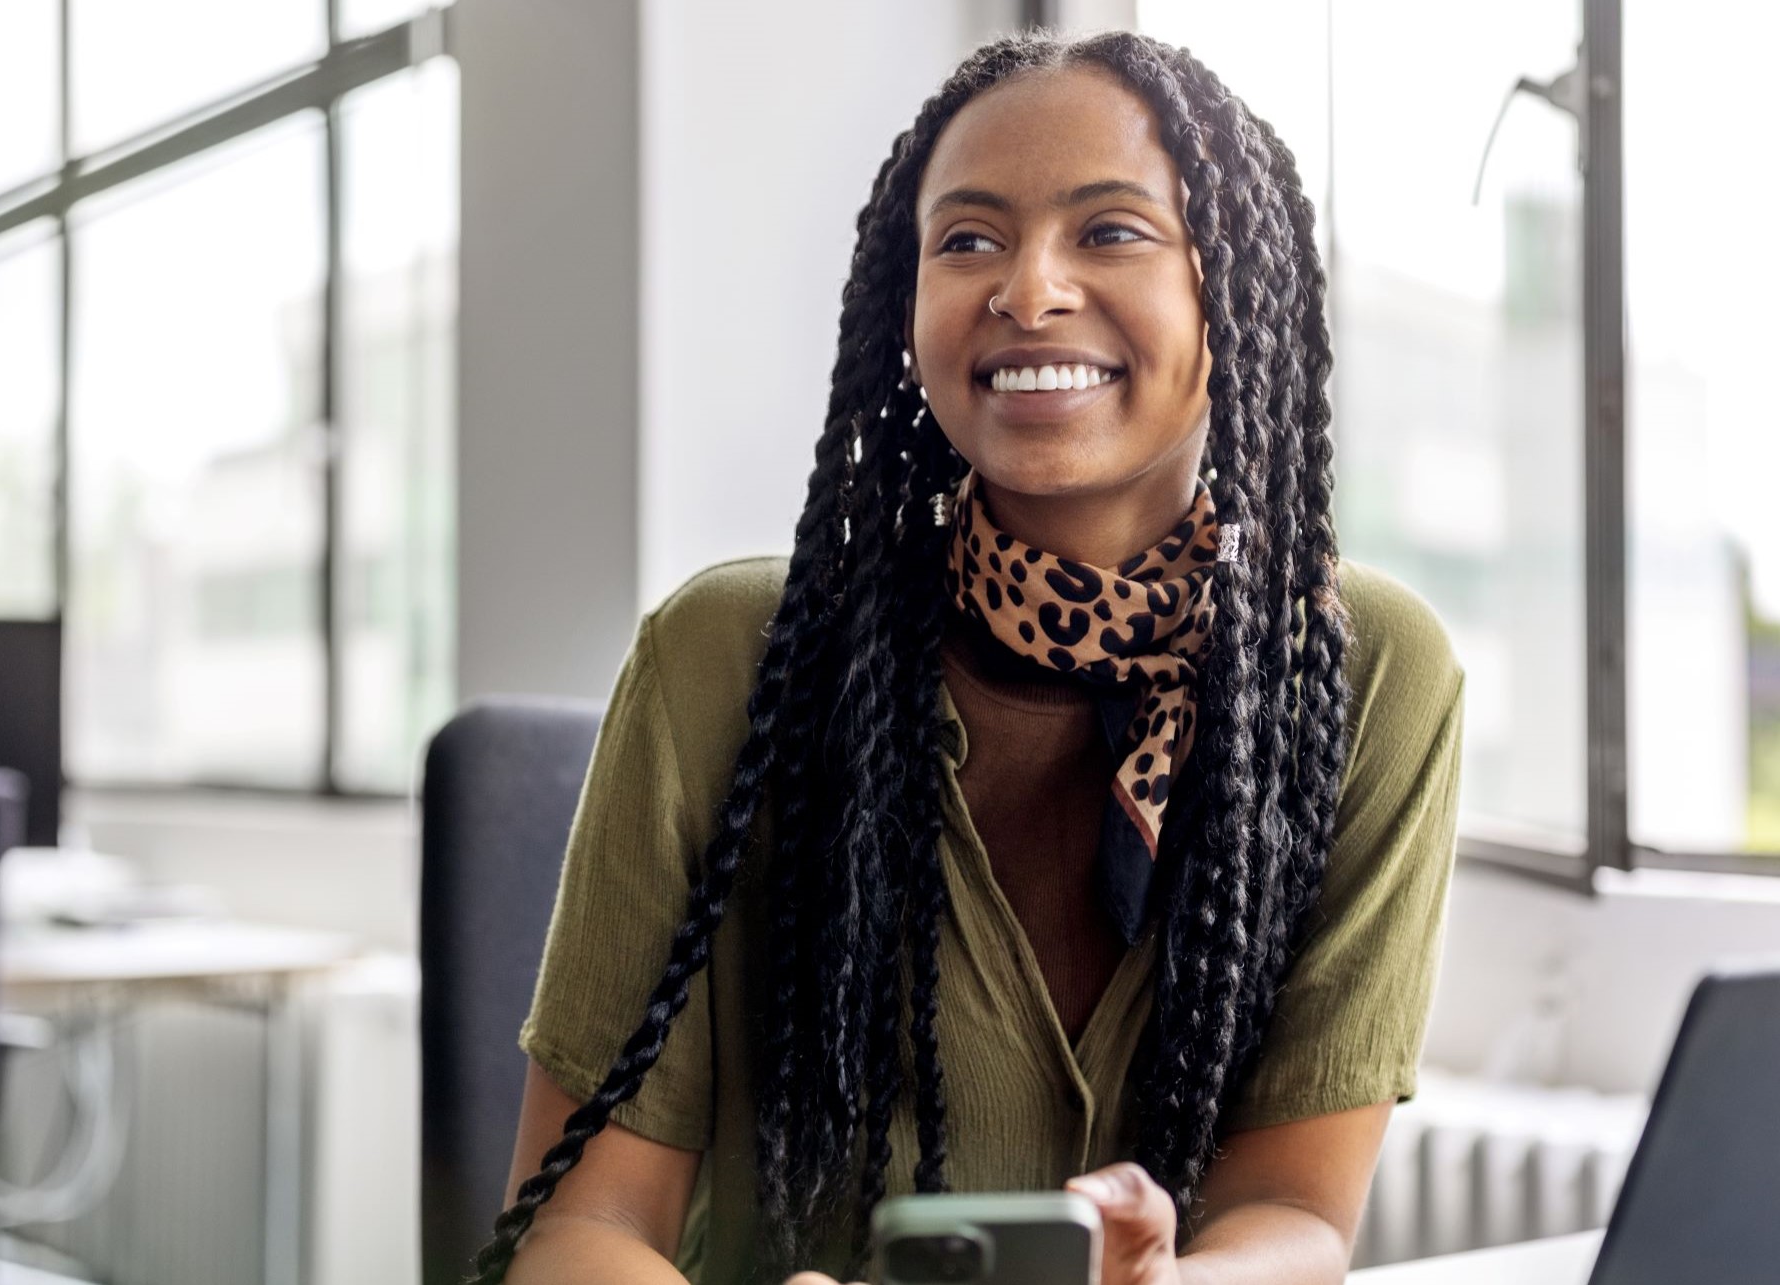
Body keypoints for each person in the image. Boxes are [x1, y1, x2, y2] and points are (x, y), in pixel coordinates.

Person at [475, 29, 1464, 1285]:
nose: (1029, 290)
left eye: (1110, 231)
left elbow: (1300, 1215)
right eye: (968, 239)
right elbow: (574, 1231)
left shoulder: (1362, 673)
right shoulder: (727, 657)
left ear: (1235, 291)